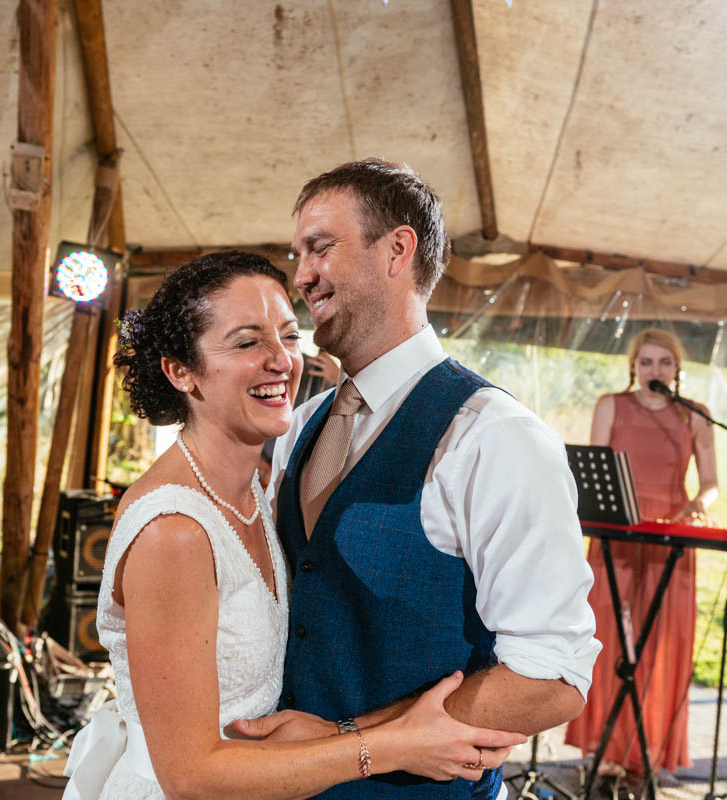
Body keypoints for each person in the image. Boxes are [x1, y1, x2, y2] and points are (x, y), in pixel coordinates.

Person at [62, 251, 523, 800]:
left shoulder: (255, 488)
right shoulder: (175, 532)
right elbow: (190, 776)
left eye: (288, 335)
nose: (281, 360)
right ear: (180, 370)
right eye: (246, 342)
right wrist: (395, 745)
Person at [236, 159, 601, 800]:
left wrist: (346, 739)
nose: (301, 276)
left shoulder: (495, 437)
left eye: (320, 248)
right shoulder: (299, 425)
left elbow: (552, 676)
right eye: (298, 254)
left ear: (397, 250)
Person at [563, 327, 718, 777]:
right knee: (606, 636)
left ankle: (650, 752)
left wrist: (694, 510)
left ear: (677, 369)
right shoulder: (611, 405)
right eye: (647, 362)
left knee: (663, 642)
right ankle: (600, 747)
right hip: (615, 535)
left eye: (664, 363)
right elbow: (591, 472)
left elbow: (710, 484)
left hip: (672, 539)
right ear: (633, 366)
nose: (656, 370)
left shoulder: (696, 415)